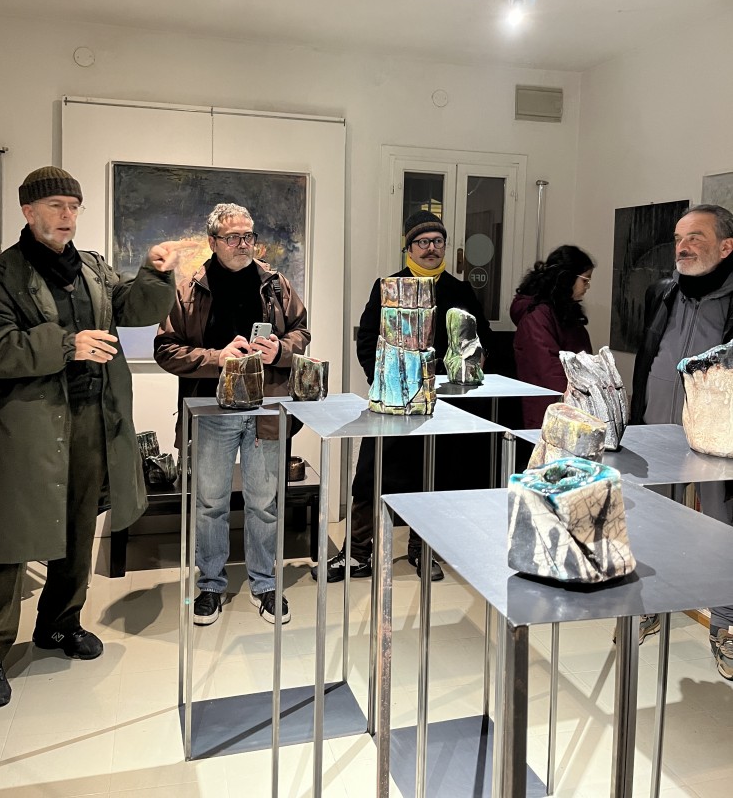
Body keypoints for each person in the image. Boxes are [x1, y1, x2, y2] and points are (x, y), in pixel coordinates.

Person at [0, 166, 179, 709]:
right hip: (26, 428)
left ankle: (60, 623)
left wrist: (154, 273)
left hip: (92, 419)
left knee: (77, 524)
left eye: (73, 206)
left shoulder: (92, 267)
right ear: (28, 212)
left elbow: (135, 309)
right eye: (55, 206)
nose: (67, 216)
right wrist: (66, 346)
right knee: (8, 539)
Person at [317, 209, 493, 584]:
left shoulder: (461, 292)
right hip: (392, 401)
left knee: (433, 477)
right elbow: (368, 338)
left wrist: (464, 374)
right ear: (409, 248)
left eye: (438, 241)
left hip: (442, 404)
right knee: (370, 475)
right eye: (423, 242)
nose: (431, 248)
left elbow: (479, 340)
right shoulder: (388, 286)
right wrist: (382, 380)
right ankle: (357, 554)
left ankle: (422, 549)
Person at [154, 203, 310, 626]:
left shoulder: (276, 284)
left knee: (264, 503)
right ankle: (210, 585)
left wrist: (280, 350)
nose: (243, 244)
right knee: (210, 503)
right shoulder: (190, 290)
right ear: (213, 241)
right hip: (212, 410)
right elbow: (165, 350)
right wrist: (216, 358)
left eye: (248, 236)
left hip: (266, 410)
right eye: (232, 237)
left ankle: (265, 582)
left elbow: (301, 331)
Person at [631, 203, 733, 671]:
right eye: (678, 239)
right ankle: (647, 605)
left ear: (726, 247)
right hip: (657, 431)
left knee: (722, 532)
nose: (683, 247)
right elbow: (648, 358)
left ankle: (725, 625)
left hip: (719, 442)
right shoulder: (662, 291)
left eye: (695, 237)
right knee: (650, 523)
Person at [510, 245, 594, 429]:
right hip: (553, 412)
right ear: (567, 278)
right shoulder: (537, 317)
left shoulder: (563, 310)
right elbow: (547, 370)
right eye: (585, 280)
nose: (587, 287)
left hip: (571, 407)